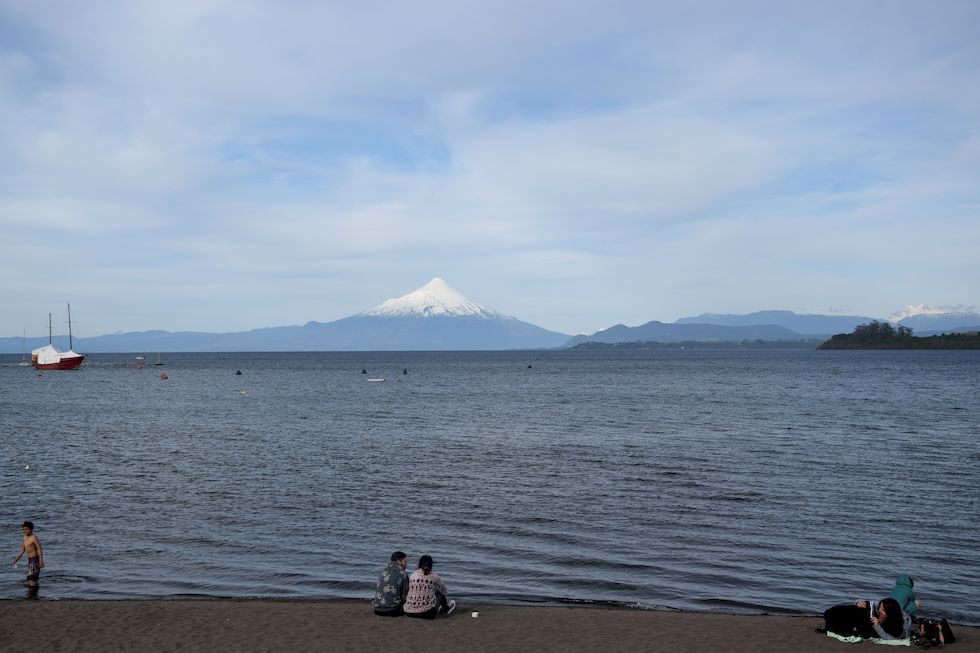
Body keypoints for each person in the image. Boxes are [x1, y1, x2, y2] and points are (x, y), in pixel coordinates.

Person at [821, 597, 910, 640]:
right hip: (863, 616)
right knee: (831, 612)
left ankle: (835, 627)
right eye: (880, 607)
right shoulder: (882, 606)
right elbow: (869, 603)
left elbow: (888, 637)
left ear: (890, 613)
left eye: (882, 610)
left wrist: (878, 625)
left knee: (847, 621)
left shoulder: (898, 626)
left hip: (866, 625)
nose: (879, 610)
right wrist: (858, 602)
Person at [404, 555, 456, 619]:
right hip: (427, 614)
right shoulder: (434, 577)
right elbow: (444, 591)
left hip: (409, 612)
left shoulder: (413, 576)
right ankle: (446, 609)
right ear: (431, 565)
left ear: (419, 564)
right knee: (440, 594)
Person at [10, 521, 44, 598]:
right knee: (31, 579)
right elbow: (22, 550)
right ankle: (35, 595)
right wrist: (16, 559)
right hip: (30, 560)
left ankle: (33, 596)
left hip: (35, 560)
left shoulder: (34, 537)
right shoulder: (24, 538)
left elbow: (39, 549)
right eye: (23, 529)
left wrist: (41, 561)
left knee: (32, 580)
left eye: (26, 529)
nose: (24, 531)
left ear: (31, 529)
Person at [373, 551, 410, 616]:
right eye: (405, 562)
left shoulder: (383, 571)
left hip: (377, 609)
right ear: (399, 561)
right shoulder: (403, 573)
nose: (406, 564)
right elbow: (405, 595)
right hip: (392, 610)